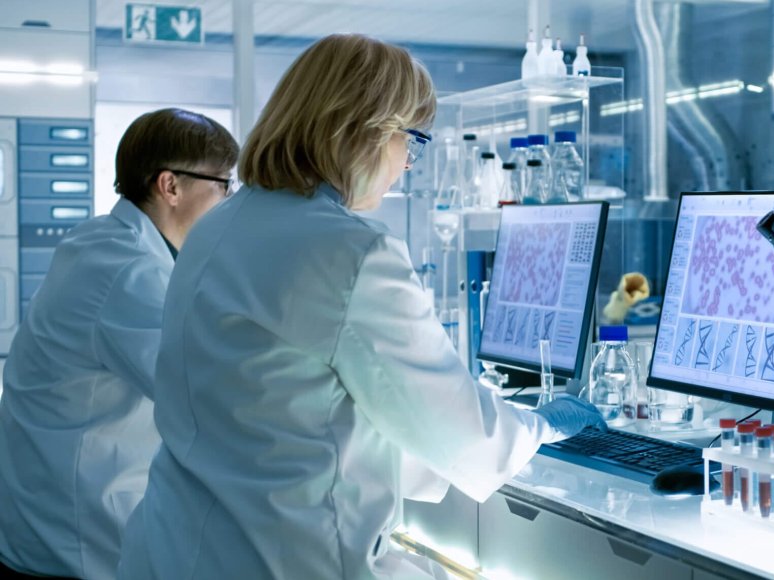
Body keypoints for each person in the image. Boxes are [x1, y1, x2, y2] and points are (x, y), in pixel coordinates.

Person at [117, 34, 605, 579]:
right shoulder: (349, 251)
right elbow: (465, 436)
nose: (408, 165)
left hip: (173, 548)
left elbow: (292, 406)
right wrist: (542, 424)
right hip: (280, 559)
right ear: (367, 131)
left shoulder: (216, 228)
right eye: (411, 142)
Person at [0, 108, 238, 579]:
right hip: (74, 541)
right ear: (170, 186)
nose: (229, 202)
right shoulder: (128, 271)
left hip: (42, 517)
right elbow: (202, 395)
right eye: (223, 186)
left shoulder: (102, 241)